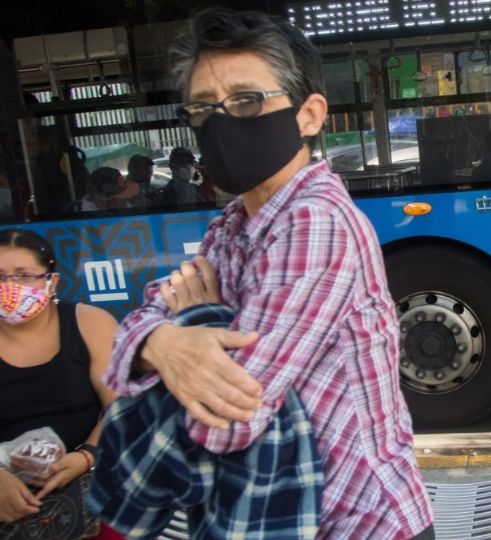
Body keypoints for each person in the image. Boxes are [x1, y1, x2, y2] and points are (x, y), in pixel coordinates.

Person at [101, 7, 434, 539]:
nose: (223, 121)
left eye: (247, 100)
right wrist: (162, 344)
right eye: (204, 108)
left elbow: (228, 423)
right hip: (266, 518)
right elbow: (123, 357)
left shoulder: (316, 223)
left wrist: (188, 322)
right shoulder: (231, 226)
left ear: (309, 115)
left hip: (355, 524)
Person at [0, 229, 118, 523]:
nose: (9, 287)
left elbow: (123, 406)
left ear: (51, 282)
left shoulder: (91, 323)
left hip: (90, 481)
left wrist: (87, 457)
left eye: (23, 275)